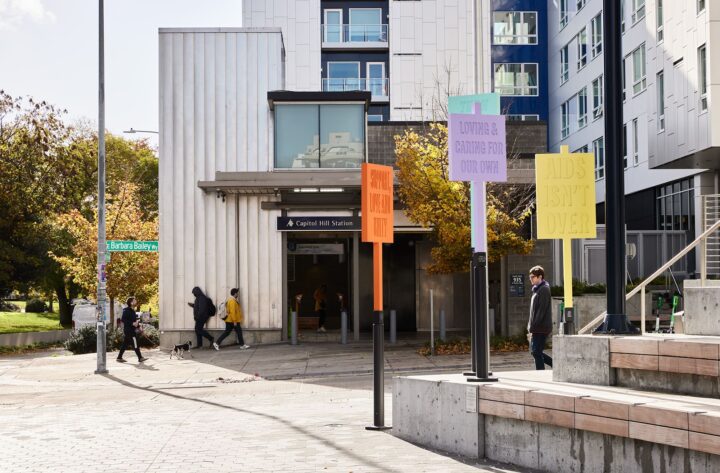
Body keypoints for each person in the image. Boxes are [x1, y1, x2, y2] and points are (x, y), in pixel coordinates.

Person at [527, 265, 553, 370]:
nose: (531, 279)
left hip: (541, 327)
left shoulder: (544, 289)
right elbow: (533, 312)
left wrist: (533, 326)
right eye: (530, 277)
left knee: (536, 352)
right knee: (536, 352)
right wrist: (529, 326)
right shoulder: (537, 290)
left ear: (540, 277)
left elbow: (541, 311)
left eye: (533, 277)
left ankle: (540, 373)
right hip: (536, 327)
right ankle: (556, 365)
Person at [117, 297, 148, 363]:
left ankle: (119, 357)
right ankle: (140, 357)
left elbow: (134, 321)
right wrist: (132, 323)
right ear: (131, 302)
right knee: (135, 343)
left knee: (125, 344)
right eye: (134, 300)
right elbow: (123, 319)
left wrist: (139, 327)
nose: (136, 301)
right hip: (129, 331)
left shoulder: (133, 311)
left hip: (131, 330)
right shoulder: (126, 310)